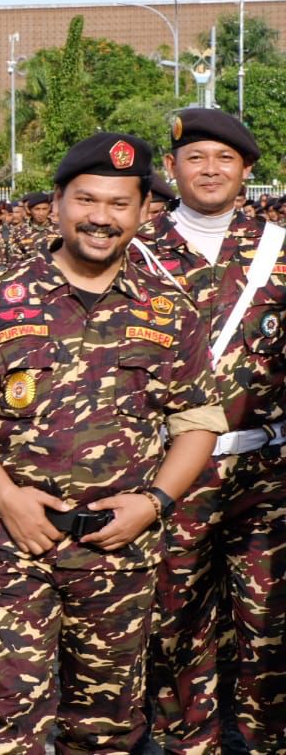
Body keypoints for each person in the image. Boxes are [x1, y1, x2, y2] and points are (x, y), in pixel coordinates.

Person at [0, 132, 227, 753]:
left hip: (121, 548)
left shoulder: (170, 310)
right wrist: (6, 497)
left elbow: (197, 421)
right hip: (17, 542)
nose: (101, 217)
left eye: (120, 204)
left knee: (109, 724)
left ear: (144, 210)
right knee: (12, 717)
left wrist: (155, 504)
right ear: (60, 202)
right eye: (86, 199)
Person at [129, 108, 286, 753]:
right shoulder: (135, 252)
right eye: (195, 157)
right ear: (172, 169)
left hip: (266, 471)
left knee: (267, 619)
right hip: (171, 471)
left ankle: (266, 738)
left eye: (225, 158)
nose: (210, 169)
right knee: (176, 613)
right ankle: (188, 740)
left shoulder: (278, 247)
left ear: (246, 170)